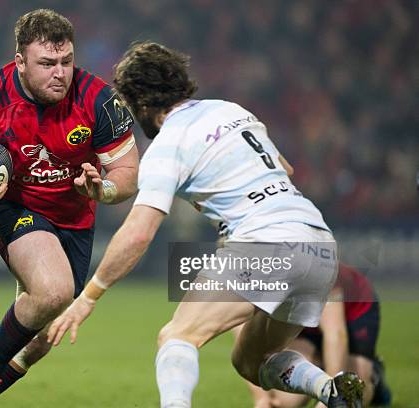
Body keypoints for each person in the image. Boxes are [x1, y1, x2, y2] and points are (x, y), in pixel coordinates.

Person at [48, 41, 365, 407]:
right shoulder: (231, 111)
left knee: (178, 336)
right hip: (318, 245)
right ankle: (332, 391)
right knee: (251, 361)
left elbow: (137, 233)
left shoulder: (168, 143)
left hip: (265, 242)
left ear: (143, 106)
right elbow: (285, 169)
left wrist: (89, 297)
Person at [0, 9, 139, 408]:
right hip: (15, 209)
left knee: (38, 341)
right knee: (53, 291)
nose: (60, 73)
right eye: (47, 64)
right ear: (19, 62)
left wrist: (105, 191)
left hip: (76, 221)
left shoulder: (99, 100)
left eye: (66, 62)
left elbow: (127, 174)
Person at [236, 263, 391, 408]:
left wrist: (330, 399)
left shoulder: (315, 268)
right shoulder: (246, 277)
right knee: (285, 401)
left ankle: (374, 376)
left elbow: (336, 334)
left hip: (353, 312)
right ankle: (320, 362)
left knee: (355, 390)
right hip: (302, 323)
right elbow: (246, 347)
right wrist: (262, 399)